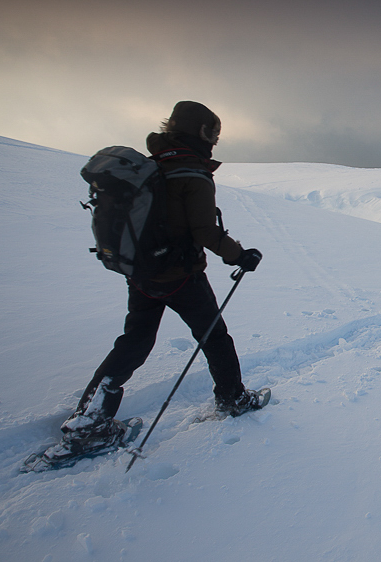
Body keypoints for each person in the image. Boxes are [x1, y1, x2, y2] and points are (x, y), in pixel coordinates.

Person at [59, 101, 265, 448]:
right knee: (215, 338)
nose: (215, 140)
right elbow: (204, 231)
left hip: (142, 273)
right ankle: (233, 399)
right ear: (201, 132)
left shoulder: (153, 165)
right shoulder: (192, 173)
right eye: (213, 132)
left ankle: (88, 421)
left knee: (134, 340)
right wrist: (241, 256)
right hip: (182, 277)